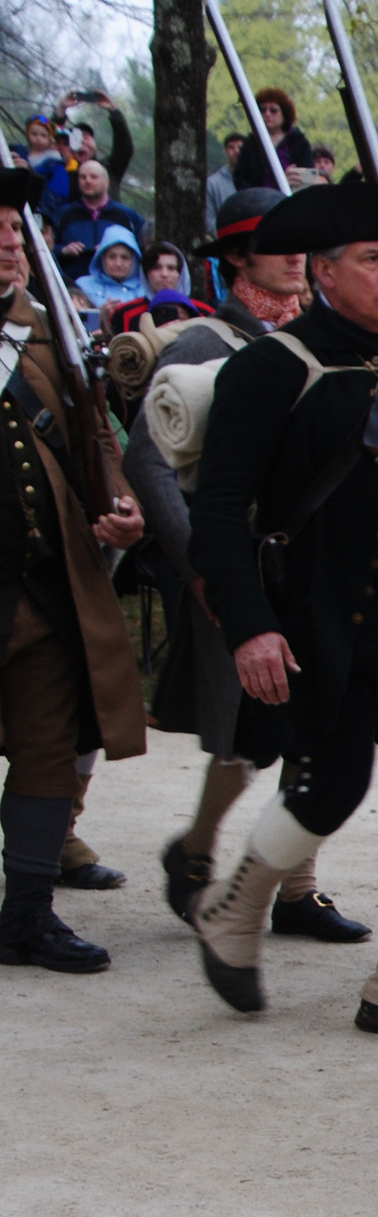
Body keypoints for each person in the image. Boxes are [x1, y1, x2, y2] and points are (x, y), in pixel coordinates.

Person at [186, 183, 378, 1042]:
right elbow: (220, 510)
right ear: (323, 273)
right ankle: (234, 909)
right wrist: (250, 625)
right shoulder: (271, 368)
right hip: (322, 623)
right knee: (330, 789)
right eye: (371, 259)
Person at [131, 188, 368, 941]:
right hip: (237, 564)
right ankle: (197, 850)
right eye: (277, 244)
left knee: (314, 723)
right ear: (237, 257)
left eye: (304, 244)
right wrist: (206, 566)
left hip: (306, 562)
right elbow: (149, 458)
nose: (296, 257)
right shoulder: (204, 341)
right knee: (249, 732)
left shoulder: (322, 335)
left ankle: (297, 887)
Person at [0, 168, 148, 974]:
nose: (9, 245)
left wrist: (117, 500)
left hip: (41, 581)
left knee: (47, 747)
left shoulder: (44, 331)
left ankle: (25, 914)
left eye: (15, 231)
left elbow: (92, 435)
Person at [50, 160, 145, 285]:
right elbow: (47, 248)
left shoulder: (126, 215)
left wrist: (111, 249)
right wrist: (63, 250)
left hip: (117, 287)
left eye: (93, 177)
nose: (87, 181)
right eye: (83, 177)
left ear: (107, 182)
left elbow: (142, 249)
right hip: (72, 286)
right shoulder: (63, 214)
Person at [228, 88, 314, 194]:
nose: (267, 114)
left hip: (291, 199)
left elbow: (309, 178)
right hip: (259, 201)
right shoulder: (251, 143)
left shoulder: (298, 142)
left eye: (273, 110)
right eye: (263, 110)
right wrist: (255, 195)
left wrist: (293, 179)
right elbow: (240, 178)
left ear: (285, 113)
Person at [70, 226, 147, 311]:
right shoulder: (84, 285)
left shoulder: (145, 288)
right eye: (111, 257)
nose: (118, 264)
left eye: (125, 257)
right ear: (102, 259)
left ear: (135, 261)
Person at [204, 134, 244, 237]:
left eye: (240, 148)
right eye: (231, 147)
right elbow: (209, 221)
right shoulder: (212, 184)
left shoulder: (258, 180)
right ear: (225, 151)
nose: (236, 151)